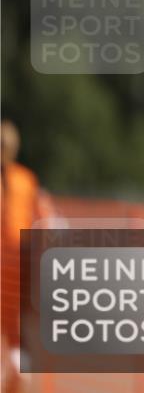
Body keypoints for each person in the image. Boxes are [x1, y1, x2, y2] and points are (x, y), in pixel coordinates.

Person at [1, 119, 54, 393]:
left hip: (16, 265)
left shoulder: (24, 180)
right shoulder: (23, 179)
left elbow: (45, 218)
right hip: (12, 265)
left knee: (14, 329)